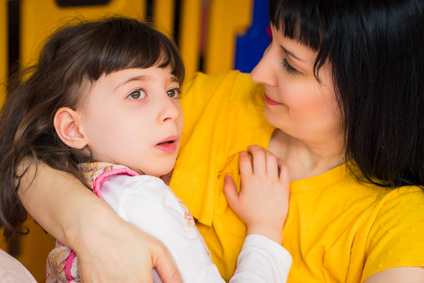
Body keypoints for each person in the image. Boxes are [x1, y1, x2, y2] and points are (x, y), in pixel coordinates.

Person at [3, 0, 424, 282]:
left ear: (367, 89)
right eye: (270, 41)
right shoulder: (207, 102)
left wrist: (262, 231)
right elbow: (26, 145)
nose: (258, 72)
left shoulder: (400, 220)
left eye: (290, 65)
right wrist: (91, 227)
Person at [0, 17, 292, 282]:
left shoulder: (83, 183)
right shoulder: (144, 200)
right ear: (73, 129)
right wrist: (264, 231)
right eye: (136, 93)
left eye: (172, 91)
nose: (171, 111)